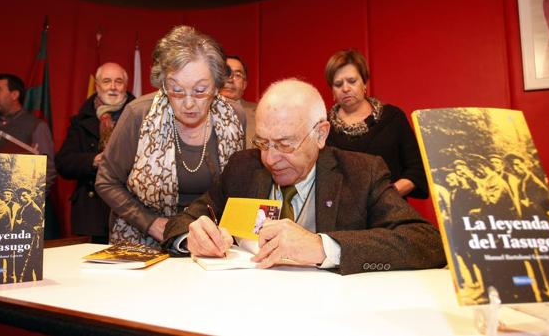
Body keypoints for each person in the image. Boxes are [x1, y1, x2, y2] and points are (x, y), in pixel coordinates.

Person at [163, 79, 446, 275]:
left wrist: (322, 248)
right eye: (262, 143)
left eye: (285, 145)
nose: (270, 159)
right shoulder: (243, 168)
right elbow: (182, 221)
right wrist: (191, 237)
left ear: (320, 134)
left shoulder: (362, 173)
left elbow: (427, 243)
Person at [95, 25, 245, 247]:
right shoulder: (139, 114)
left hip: (213, 242)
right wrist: (151, 223)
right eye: (176, 90)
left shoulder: (234, 117)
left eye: (200, 90)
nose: (188, 103)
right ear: (163, 85)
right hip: (144, 241)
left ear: (216, 86)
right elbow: (106, 181)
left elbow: (238, 187)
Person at [323, 49, 428, 199]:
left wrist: (384, 196)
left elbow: (417, 170)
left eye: (352, 81)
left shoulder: (393, 118)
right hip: (341, 218)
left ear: (364, 83)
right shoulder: (323, 128)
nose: (345, 89)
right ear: (332, 91)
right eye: (338, 84)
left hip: (391, 212)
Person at [56, 62, 135, 244]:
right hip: (91, 212)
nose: (113, 87)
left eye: (118, 81)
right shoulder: (81, 120)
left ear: (126, 85)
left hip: (130, 209)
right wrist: (94, 160)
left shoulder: (142, 115)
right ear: (97, 85)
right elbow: (63, 163)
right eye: (107, 81)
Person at [0, 73, 58, 238]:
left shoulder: (36, 126)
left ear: (14, 95)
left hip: (21, 216)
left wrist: (22, 204)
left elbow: (48, 171)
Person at [220, 55, 256, 148]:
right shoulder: (200, 113)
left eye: (237, 75)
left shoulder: (261, 113)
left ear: (244, 84)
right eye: (225, 73)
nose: (230, 79)